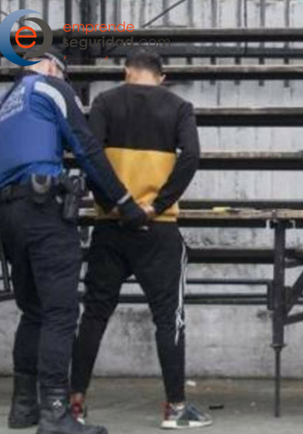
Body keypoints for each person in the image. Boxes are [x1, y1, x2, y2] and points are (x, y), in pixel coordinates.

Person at [0, 50, 147, 434]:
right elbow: (86, 146)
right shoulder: (50, 87)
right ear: (50, 65)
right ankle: (56, 414)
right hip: (43, 211)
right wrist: (125, 204)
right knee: (60, 312)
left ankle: (23, 408)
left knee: (34, 310)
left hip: (6, 214)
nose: (65, 79)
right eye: (64, 72)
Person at [68, 49, 209, 430]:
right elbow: (192, 156)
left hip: (110, 226)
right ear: (162, 77)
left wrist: (118, 204)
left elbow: (89, 157)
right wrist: (156, 205)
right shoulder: (179, 107)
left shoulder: (104, 102)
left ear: (126, 71)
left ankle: (75, 403)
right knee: (169, 318)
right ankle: (175, 408)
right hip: (158, 228)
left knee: (94, 314)